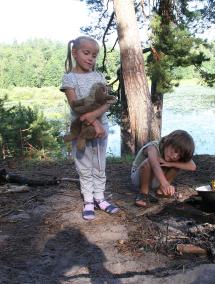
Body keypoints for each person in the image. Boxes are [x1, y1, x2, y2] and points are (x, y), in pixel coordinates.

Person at [60, 36, 119, 220]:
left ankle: (100, 197)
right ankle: (88, 200)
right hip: (81, 128)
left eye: (94, 55)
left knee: (100, 162)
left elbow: (108, 100)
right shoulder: (69, 78)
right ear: (75, 53)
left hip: (102, 128)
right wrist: (93, 120)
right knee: (84, 163)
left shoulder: (99, 76)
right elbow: (75, 106)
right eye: (86, 53)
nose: (91, 58)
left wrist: (97, 119)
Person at [132, 130, 197, 207]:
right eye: (175, 151)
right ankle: (143, 194)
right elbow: (155, 165)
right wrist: (165, 183)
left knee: (177, 164)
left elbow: (193, 166)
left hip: (156, 180)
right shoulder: (153, 147)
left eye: (179, 155)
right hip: (139, 178)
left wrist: (170, 163)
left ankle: (161, 191)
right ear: (168, 141)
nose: (175, 156)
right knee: (149, 161)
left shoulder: (173, 157)